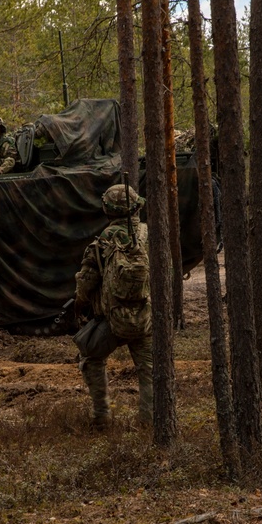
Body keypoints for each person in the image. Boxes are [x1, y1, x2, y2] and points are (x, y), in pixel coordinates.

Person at [73, 183, 152, 428]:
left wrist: (80, 303)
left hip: (112, 320)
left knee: (91, 356)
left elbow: (86, 284)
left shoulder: (103, 242)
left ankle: (102, 417)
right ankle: (150, 422)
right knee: (149, 370)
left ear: (108, 210)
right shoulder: (147, 235)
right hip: (145, 317)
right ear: (135, 208)